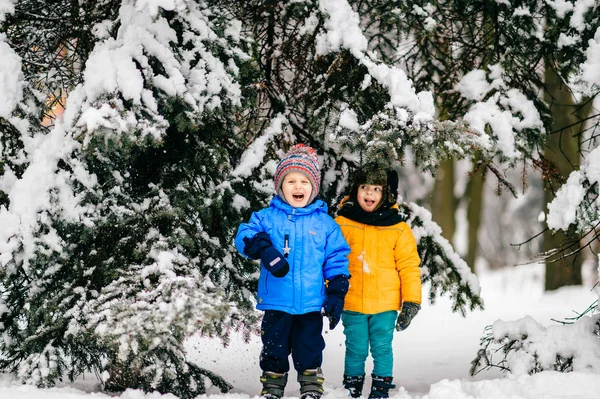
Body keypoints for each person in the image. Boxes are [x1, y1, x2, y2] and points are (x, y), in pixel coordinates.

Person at [235, 144, 351, 399]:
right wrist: (264, 249)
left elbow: (337, 258)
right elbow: (244, 235)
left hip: (310, 303)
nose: (298, 187)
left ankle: (310, 383)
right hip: (276, 301)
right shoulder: (266, 217)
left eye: (304, 182)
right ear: (280, 186)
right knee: (274, 347)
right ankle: (273, 384)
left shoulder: (324, 224)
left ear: (314, 188)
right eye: (291, 181)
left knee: (309, 346)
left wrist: (337, 293)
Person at [334, 164, 422, 399]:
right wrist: (329, 293)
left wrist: (411, 301)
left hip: (385, 304)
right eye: (364, 187)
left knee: (382, 347)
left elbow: (409, 267)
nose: (369, 193)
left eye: (376, 189)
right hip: (353, 301)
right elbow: (331, 261)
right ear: (356, 190)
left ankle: (381, 388)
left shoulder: (399, 229)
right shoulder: (343, 223)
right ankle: (351, 388)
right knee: (356, 348)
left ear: (386, 195)